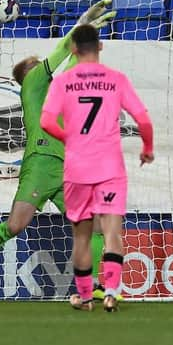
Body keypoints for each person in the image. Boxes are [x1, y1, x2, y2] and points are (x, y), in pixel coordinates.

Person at [0, 1, 116, 303]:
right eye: (35, 64)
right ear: (27, 74)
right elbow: (62, 53)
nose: (41, 66)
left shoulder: (55, 90)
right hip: (40, 163)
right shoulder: (32, 85)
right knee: (16, 225)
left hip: (67, 168)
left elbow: (72, 61)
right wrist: (81, 25)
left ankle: (92, 285)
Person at [40, 24, 154, 312]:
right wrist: (147, 148)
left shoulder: (63, 81)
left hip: (78, 168)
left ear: (74, 49)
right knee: (113, 233)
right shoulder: (116, 79)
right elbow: (142, 119)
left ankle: (84, 296)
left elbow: (46, 122)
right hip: (110, 168)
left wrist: (71, 140)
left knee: (82, 236)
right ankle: (112, 292)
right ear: (100, 47)